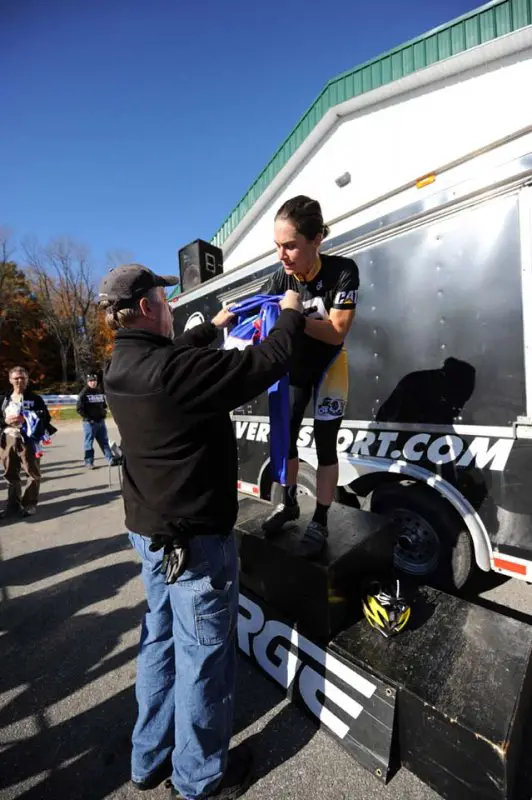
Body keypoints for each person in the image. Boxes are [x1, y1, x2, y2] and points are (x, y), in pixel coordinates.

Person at [98, 263, 304, 800]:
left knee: (160, 643)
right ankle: (199, 781)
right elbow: (267, 361)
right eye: (166, 298)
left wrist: (214, 323)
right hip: (193, 546)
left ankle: (148, 760)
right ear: (146, 307)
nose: (171, 306)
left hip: (150, 535)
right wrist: (289, 315)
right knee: (203, 658)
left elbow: (178, 352)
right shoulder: (174, 375)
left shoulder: (120, 364)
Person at [261, 195, 359, 558]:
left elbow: (336, 332)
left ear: (316, 239)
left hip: (330, 364)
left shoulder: (342, 270)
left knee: (325, 443)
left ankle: (320, 519)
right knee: (285, 441)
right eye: (277, 246)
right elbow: (262, 326)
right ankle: (287, 505)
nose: (281, 256)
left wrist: (295, 317)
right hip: (297, 369)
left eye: (290, 246)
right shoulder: (277, 278)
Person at [0, 366, 56, 518]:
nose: (19, 381)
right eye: (16, 378)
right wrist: (4, 420)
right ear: (10, 380)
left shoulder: (35, 399)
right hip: (8, 438)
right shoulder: (4, 398)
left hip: (29, 440)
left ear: (27, 380)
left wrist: (26, 419)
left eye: (22, 378)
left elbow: (46, 418)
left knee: (32, 472)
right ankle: (12, 504)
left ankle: (30, 504)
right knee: (10, 473)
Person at [76, 372, 115, 469]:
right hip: (89, 423)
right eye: (91, 381)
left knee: (104, 442)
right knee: (89, 443)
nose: (93, 383)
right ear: (87, 382)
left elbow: (104, 406)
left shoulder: (99, 392)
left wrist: (104, 413)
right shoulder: (84, 393)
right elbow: (79, 409)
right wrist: (89, 418)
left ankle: (110, 459)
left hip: (101, 422)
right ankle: (89, 462)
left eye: (94, 381)